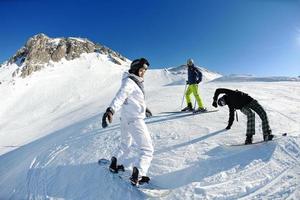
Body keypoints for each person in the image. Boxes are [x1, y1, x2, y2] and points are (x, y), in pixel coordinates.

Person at [102, 58, 154, 186]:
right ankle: (139, 175)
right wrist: (111, 110)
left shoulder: (132, 81)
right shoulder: (130, 82)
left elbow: (133, 99)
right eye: (141, 70)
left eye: (145, 70)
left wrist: (144, 109)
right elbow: (120, 96)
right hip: (134, 120)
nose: (143, 73)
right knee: (147, 149)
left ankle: (114, 163)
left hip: (126, 119)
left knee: (125, 144)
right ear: (135, 69)